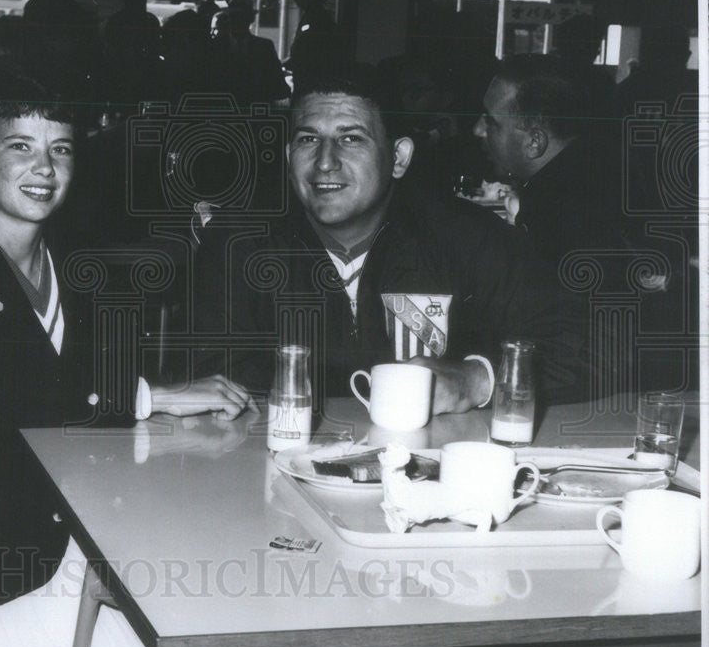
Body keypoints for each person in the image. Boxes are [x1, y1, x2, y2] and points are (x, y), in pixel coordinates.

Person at [0, 67, 253, 647]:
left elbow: (81, 413)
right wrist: (152, 396)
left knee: (216, 603)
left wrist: (152, 403)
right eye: (19, 146)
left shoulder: (71, 270)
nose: (44, 168)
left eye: (61, 149)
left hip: (53, 549)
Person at [193, 63, 592, 411]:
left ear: (398, 157)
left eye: (351, 138)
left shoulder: (464, 238)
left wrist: (477, 379)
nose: (325, 162)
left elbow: (584, 345)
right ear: (287, 155)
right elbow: (207, 372)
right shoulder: (238, 244)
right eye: (308, 139)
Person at [473, 54, 633, 268]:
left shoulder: (562, 217)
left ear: (534, 142)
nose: (478, 130)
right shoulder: (587, 178)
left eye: (491, 122)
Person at [207, 0, 290, 107]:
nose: (235, 22)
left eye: (240, 17)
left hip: (255, 114)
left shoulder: (264, 48)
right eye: (232, 16)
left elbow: (279, 88)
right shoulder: (215, 47)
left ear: (249, 20)